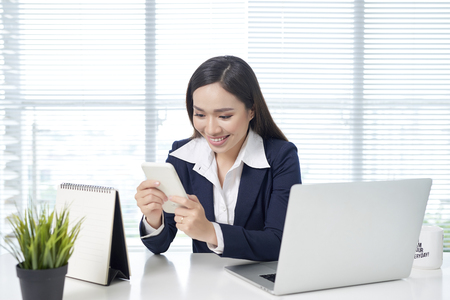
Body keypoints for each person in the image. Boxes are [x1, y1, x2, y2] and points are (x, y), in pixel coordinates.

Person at [135, 55, 301, 261]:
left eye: (224, 116)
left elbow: (279, 243)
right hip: (204, 285)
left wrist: (211, 232)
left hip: (260, 285)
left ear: (251, 111)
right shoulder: (182, 155)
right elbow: (159, 245)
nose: (211, 130)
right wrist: (153, 216)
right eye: (200, 115)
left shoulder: (280, 157)